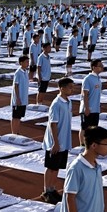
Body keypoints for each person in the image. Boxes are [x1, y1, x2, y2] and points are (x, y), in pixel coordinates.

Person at [41, 77, 75, 205]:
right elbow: (53, 124)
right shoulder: (56, 104)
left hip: (64, 141)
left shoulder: (68, 102)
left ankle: (53, 189)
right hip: (55, 142)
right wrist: (55, 142)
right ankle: (46, 191)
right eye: (70, 87)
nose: (72, 89)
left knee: (57, 168)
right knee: (50, 167)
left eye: (72, 87)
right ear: (62, 88)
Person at [79, 59, 104, 146]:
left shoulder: (98, 78)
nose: (102, 67)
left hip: (96, 108)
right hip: (88, 108)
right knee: (85, 128)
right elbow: (85, 95)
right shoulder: (88, 79)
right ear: (94, 67)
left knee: (94, 128)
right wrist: (86, 107)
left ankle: (90, 144)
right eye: (100, 65)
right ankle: (82, 144)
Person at [10, 55, 31, 135]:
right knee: (15, 117)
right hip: (18, 99)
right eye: (26, 62)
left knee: (19, 117)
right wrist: (17, 98)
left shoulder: (25, 71)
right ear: (21, 63)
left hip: (24, 98)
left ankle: (17, 131)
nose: (28, 63)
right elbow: (16, 85)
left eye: (28, 62)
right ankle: (14, 132)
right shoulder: (18, 73)